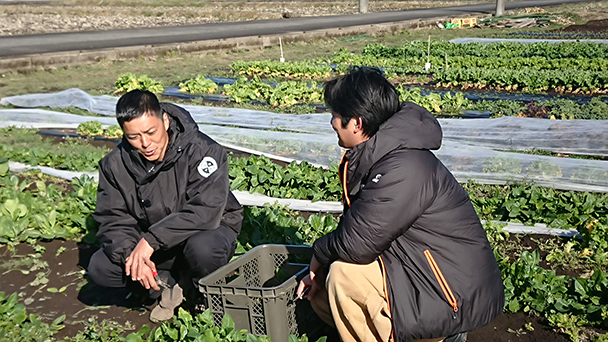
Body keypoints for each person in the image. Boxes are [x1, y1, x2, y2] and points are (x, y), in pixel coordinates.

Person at [296, 67, 504, 342]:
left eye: (335, 115)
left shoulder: (404, 167)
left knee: (343, 276)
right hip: (418, 273)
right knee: (324, 286)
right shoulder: (384, 155)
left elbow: (357, 243)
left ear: (356, 123)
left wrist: (319, 255)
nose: (332, 122)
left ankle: (440, 337)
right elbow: (362, 231)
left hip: (451, 297)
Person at [88, 89, 243, 322]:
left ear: (165, 120)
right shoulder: (114, 165)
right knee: (100, 266)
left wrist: (150, 240)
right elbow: (112, 218)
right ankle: (165, 284)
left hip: (206, 232)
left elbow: (206, 210)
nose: (145, 143)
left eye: (151, 132)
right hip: (157, 245)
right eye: (133, 137)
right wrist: (133, 255)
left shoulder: (203, 150)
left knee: (202, 249)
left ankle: (202, 293)